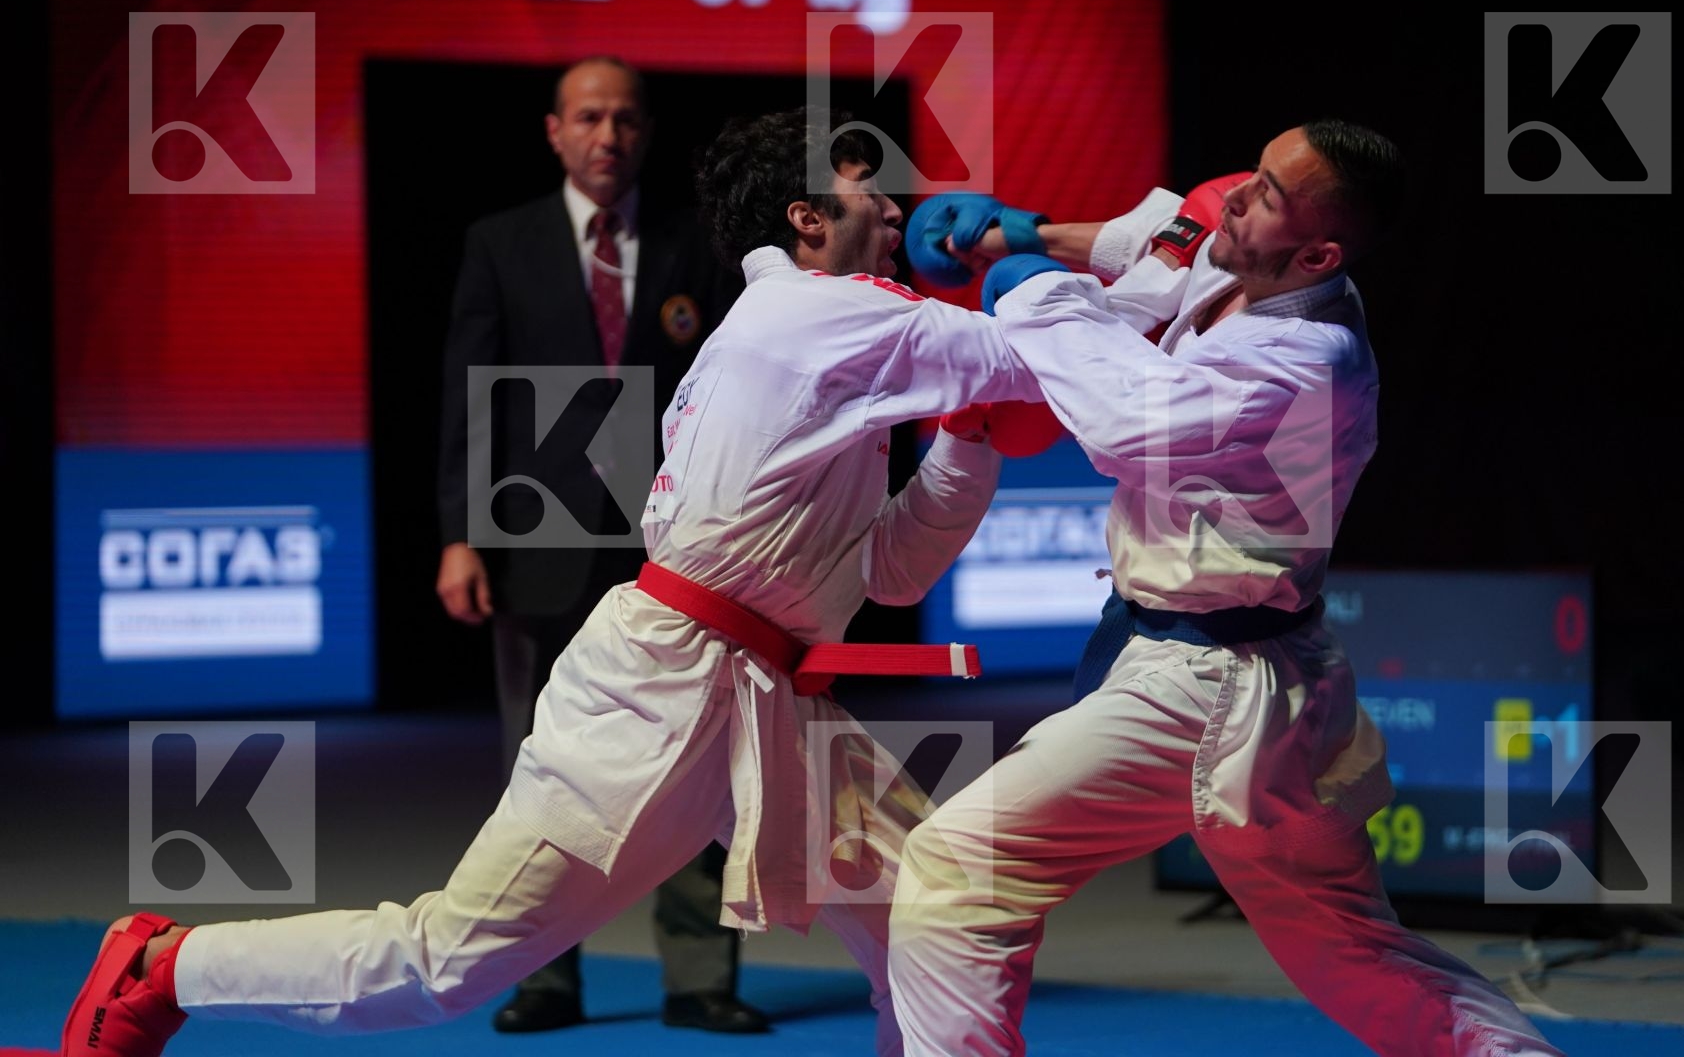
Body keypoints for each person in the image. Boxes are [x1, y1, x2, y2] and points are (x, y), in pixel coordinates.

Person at [56, 108, 1043, 1057]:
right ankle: (161, 964)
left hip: (775, 693)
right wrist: (1107, 255)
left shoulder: (832, 331)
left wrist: (967, 438)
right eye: (873, 194)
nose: (901, 216)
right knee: (443, 962)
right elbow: (1033, 359)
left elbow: (895, 567)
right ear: (807, 217)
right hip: (658, 689)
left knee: (942, 919)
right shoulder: (816, 313)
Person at [888, 122, 1569, 1056]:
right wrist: (1024, 232)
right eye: (1254, 173)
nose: (1239, 198)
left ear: (1320, 252)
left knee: (958, 865)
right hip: (1269, 678)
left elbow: (1130, 423)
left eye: (1269, 194)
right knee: (1354, 953)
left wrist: (1037, 294)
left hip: (1207, 688)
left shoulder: (1307, 363)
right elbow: (1169, 239)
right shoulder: (1254, 265)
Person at [434, 55, 761, 1034]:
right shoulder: (501, 243)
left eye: (624, 119)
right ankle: (541, 975)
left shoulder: (694, 242)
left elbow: (736, 393)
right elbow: (465, 395)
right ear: (554, 131)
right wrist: (459, 537)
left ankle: (701, 978)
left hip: (673, 541)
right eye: (589, 117)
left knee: (697, 755)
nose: (608, 135)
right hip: (537, 535)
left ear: (646, 132)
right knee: (542, 766)